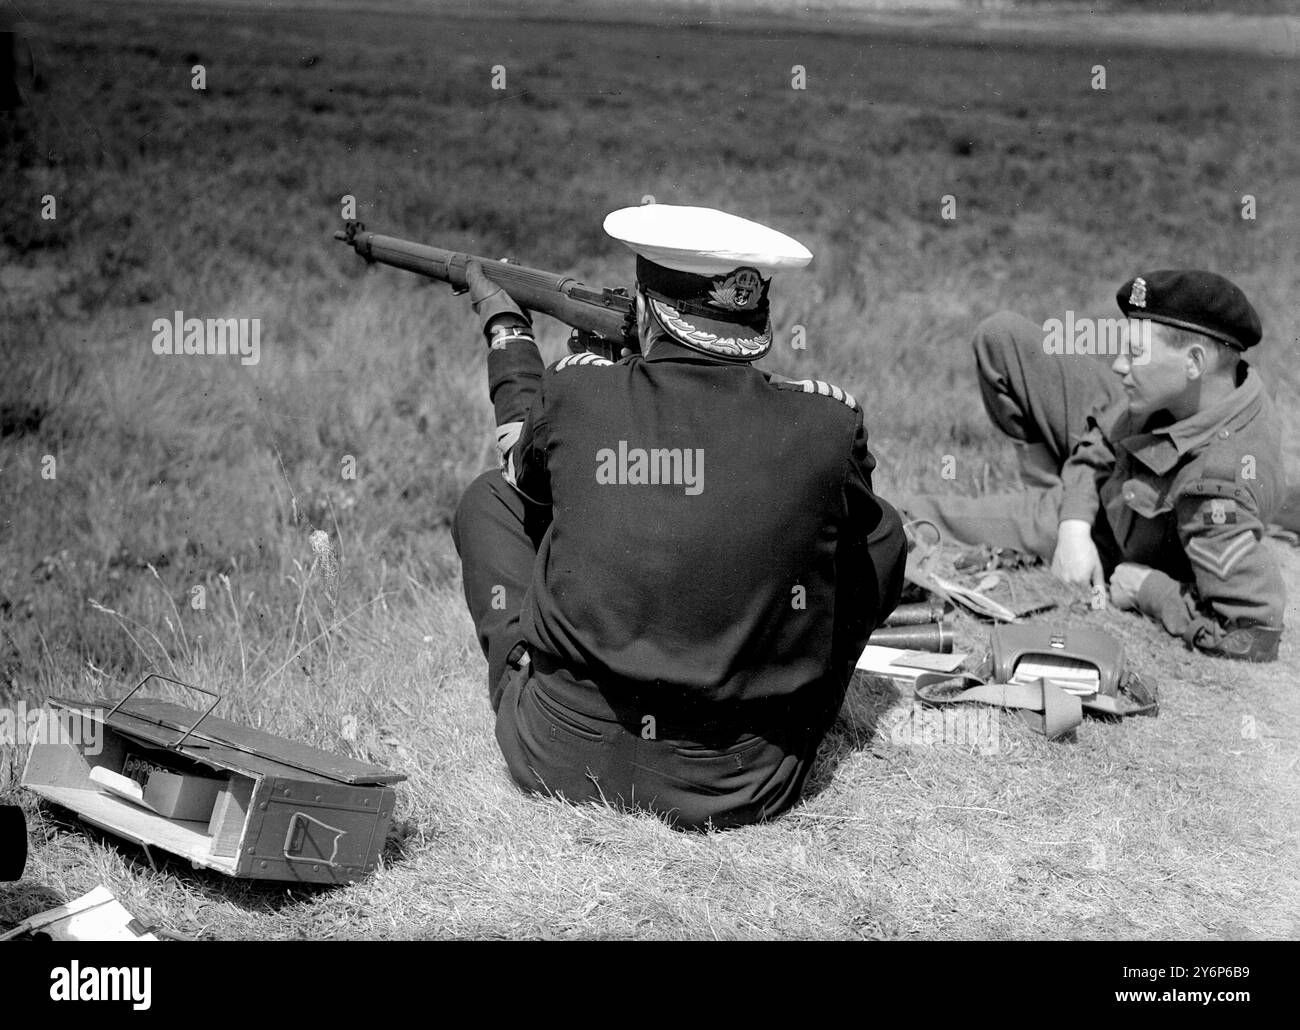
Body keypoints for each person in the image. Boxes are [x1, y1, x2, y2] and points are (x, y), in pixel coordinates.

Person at [451, 204, 907, 828]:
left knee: (490, 500)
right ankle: (795, 705)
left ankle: (520, 675)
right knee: (880, 533)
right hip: (741, 781)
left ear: (643, 310)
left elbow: (524, 479)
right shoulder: (825, 425)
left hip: (555, 754)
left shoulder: (577, 391)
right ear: (757, 312)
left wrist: (508, 333)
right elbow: (861, 535)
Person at [900, 270, 1286, 662]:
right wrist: (1073, 526)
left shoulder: (1217, 490)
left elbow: (1252, 633)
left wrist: (1148, 588)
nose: (1119, 365)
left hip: (1115, 523)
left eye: (1135, 354)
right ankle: (1049, 494)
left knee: (914, 514)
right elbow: (1104, 433)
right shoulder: (1194, 392)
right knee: (1001, 337)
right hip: (1112, 478)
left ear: (1194, 362)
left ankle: (1040, 515)